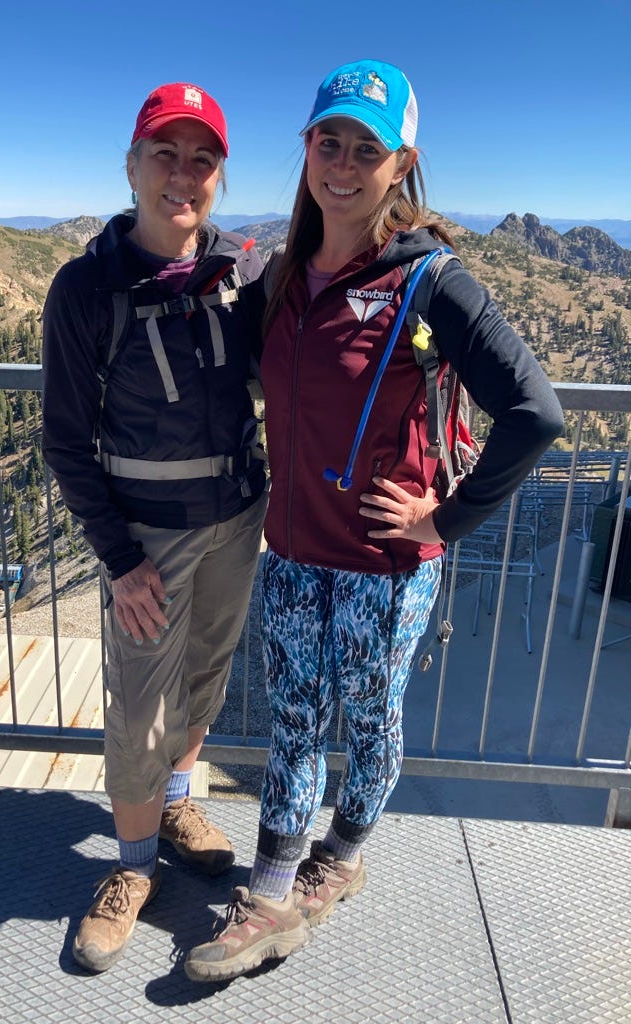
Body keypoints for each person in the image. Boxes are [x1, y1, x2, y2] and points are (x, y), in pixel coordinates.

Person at [184, 58, 564, 983]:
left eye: (368, 148)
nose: (343, 164)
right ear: (307, 149)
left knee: (368, 720)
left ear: (402, 165)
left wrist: (448, 518)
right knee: (294, 720)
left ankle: (343, 855)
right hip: (293, 549)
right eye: (329, 142)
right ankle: (275, 892)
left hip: (386, 561)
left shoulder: (432, 281)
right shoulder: (280, 275)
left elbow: (536, 413)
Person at [41, 81, 267, 974]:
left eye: (201, 157)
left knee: (205, 678)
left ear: (219, 174)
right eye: (164, 154)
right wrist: (121, 559)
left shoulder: (242, 273)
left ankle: (177, 803)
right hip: (149, 542)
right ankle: (130, 872)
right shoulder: (86, 288)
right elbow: (64, 442)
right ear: (132, 166)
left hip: (236, 521)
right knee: (139, 709)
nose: (183, 173)